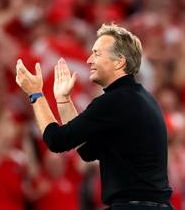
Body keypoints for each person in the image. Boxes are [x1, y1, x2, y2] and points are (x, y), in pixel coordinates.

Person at [15, 23, 173, 209]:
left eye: (97, 54)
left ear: (119, 61)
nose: (89, 60)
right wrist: (64, 101)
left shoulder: (115, 101)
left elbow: (56, 140)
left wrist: (36, 95)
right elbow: (87, 151)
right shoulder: (141, 99)